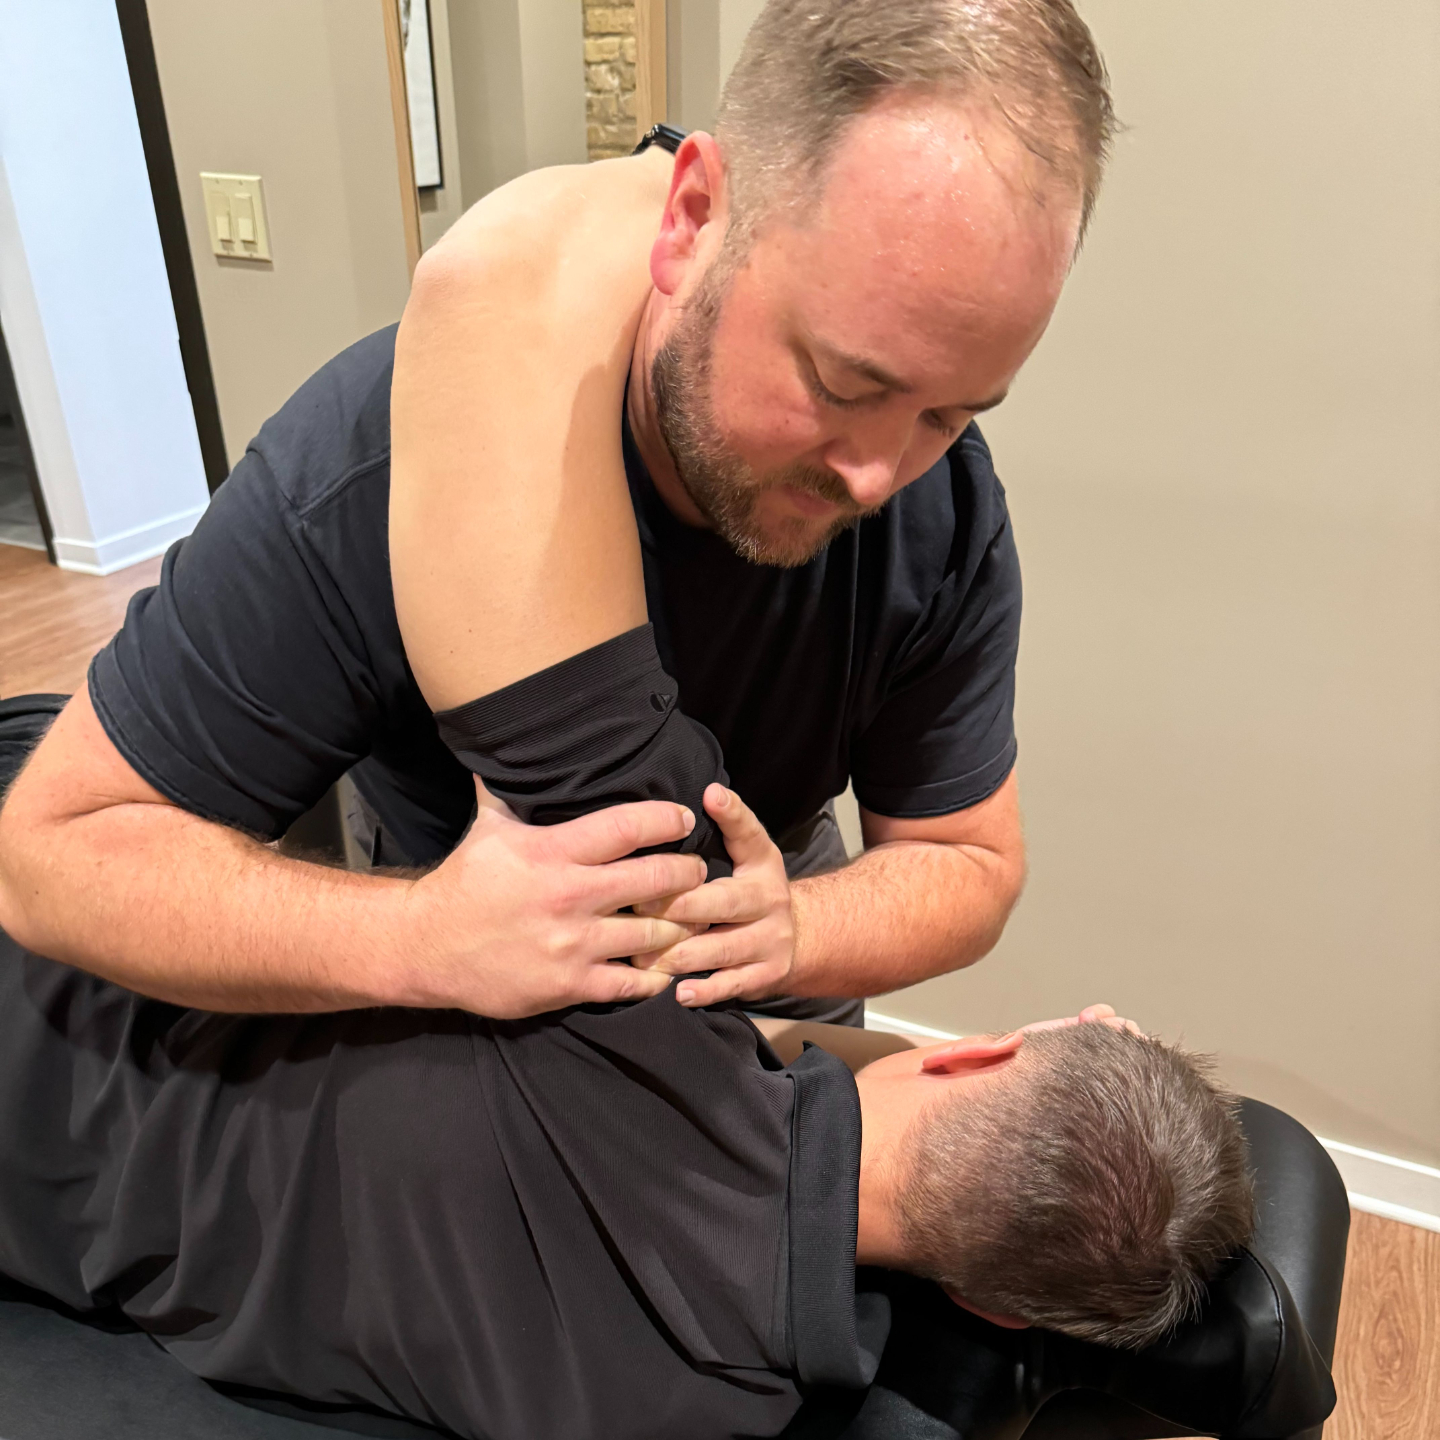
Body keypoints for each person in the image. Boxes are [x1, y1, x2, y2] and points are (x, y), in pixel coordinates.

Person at [0, 0, 1114, 1024]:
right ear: (691, 219)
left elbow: (970, 863)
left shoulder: (942, 512)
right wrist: (418, 937)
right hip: (460, 936)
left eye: (948, 413)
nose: (877, 476)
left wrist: (796, 928)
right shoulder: (367, 468)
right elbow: (52, 860)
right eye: (841, 384)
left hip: (771, 926)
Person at [0, 922, 1252, 1440]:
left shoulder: (624, 994)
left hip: (53, 993)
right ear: (988, 1307)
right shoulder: (724, 1411)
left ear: (966, 1053)